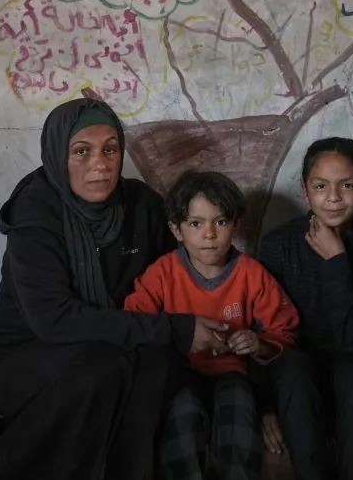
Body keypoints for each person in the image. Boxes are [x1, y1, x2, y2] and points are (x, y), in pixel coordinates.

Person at [0, 98, 231, 480]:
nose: (100, 164)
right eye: (82, 151)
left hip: (116, 349)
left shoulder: (142, 205)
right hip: (29, 356)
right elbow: (53, 320)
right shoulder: (35, 213)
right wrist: (175, 329)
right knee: (106, 369)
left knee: (159, 366)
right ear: (58, 155)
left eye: (110, 150)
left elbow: (183, 273)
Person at [124, 170, 300, 480]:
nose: (209, 234)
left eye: (220, 222)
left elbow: (285, 331)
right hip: (178, 375)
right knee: (182, 412)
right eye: (196, 223)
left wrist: (257, 342)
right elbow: (135, 323)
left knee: (238, 406)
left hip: (233, 375)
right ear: (176, 230)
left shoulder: (252, 275)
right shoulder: (162, 274)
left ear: (236, 226)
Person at [254, 137, 353, 480]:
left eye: (347, 185)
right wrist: (264, 408)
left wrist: (337, 262)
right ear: (305, 190)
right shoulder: (278, 245)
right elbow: (261, 335)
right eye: (320, 186)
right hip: (295, 381)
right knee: (293, 364)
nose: (333, 197)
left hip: (352, 374)